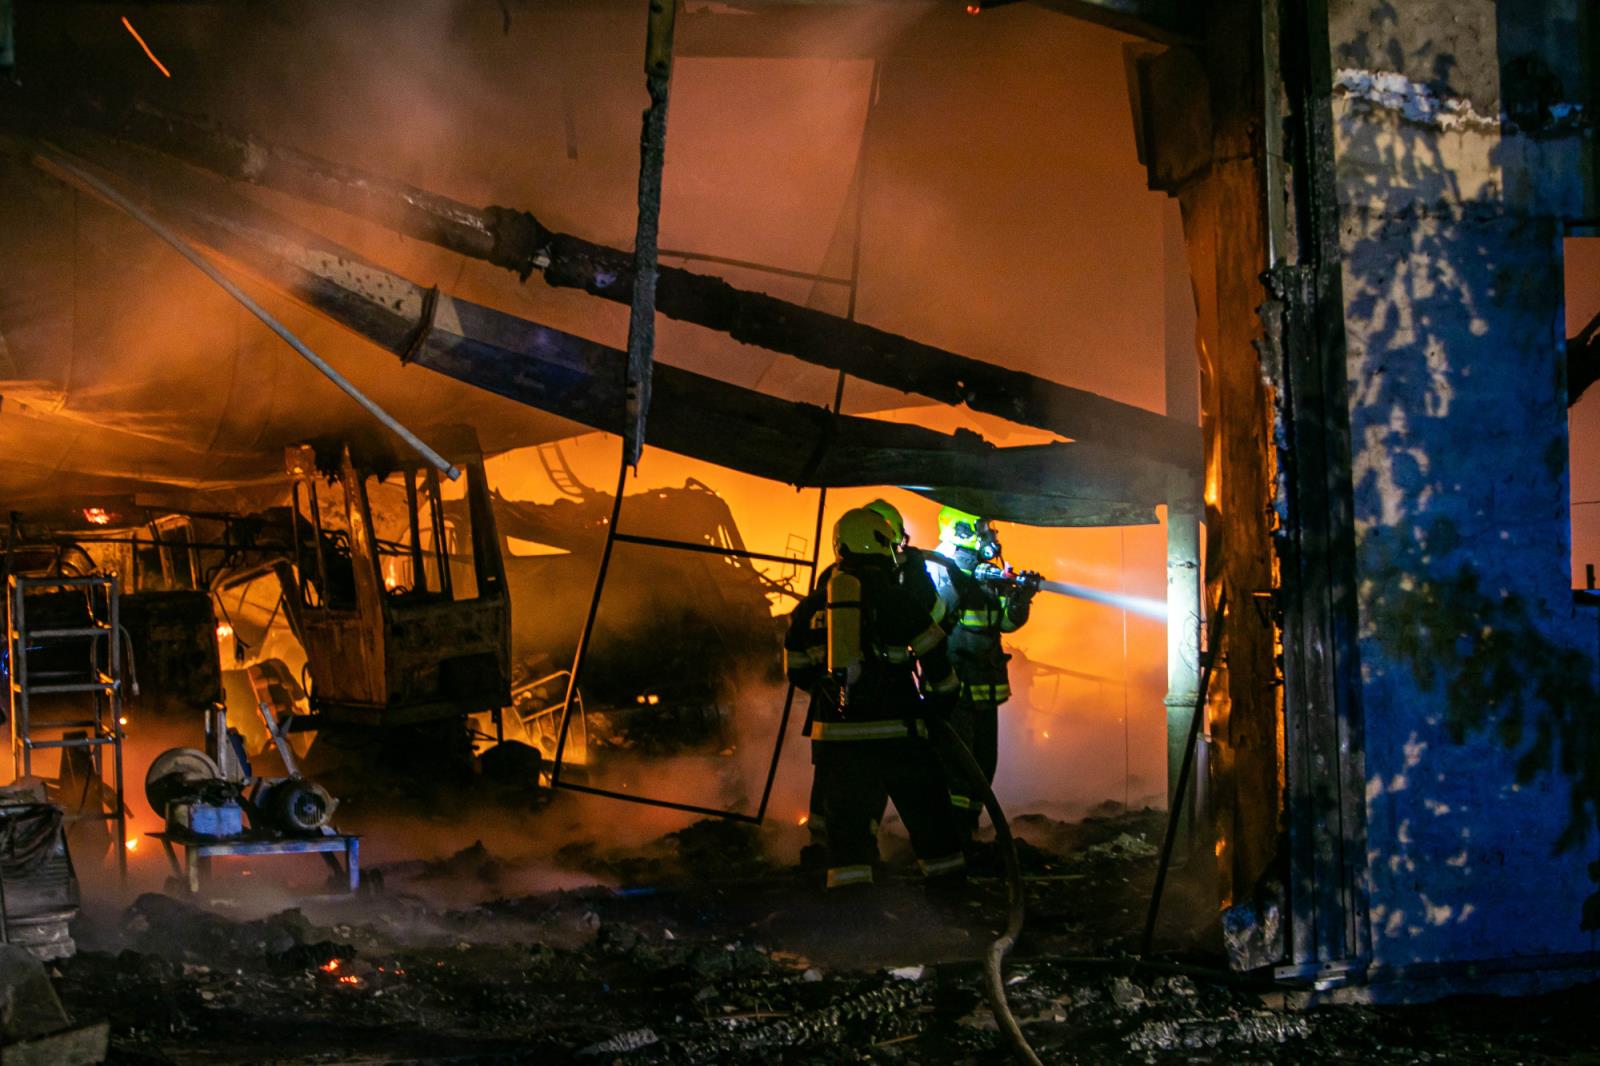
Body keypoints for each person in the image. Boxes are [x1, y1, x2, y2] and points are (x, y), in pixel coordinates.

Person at [784, 508, 965, 889]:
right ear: (883, 546)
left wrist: (833, 693)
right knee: (930, 820)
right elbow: (938, 665)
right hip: (899, 734)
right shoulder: (899, 601)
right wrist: (937, 711)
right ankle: (951, 897)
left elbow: (797, 670)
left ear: (841, 547)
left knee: (847, 834)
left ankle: (854, 909)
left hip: (836, 743)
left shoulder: (812, 607)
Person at [931, 506, 1036, 841]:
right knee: (959, 767)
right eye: (983, 528)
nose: (991, 535)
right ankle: (953, 836)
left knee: (984, 764)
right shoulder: (942, 568)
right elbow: (934, 618)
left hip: (986, 689)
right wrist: (960, 579)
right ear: (961, 531)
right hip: (957, 690)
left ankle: (970, 831)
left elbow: (1004, 623)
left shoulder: (986, 574)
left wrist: (1020, 598)